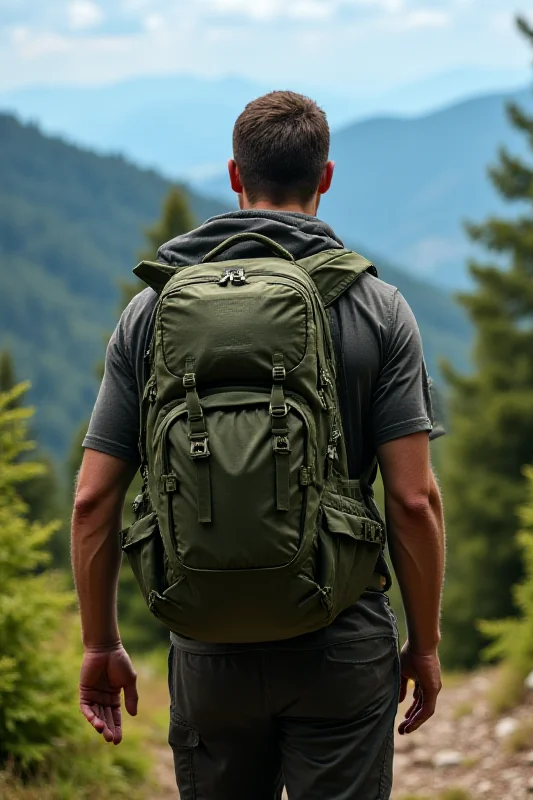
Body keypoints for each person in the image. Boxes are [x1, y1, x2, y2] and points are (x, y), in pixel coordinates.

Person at [72, 90, 445, 800]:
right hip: (341, 636)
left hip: (210, 646)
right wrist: (422, 645)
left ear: (235, 176)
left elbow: (93, 501)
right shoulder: (378, 307)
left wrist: (100, 645)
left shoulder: (152, 310)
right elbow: (413, 497)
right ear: (325, 178)